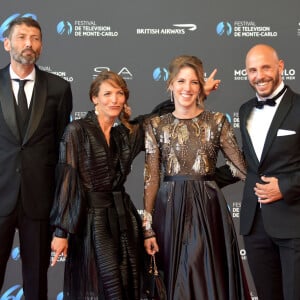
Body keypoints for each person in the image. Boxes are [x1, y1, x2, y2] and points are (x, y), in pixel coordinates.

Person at [142, 55, 250, 300]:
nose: (187, 88)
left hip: (208, 209)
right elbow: (151, 178)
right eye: (181, 81)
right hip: (169, 210)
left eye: (194, 82)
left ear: (201, 87)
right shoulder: (156, 125)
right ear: (170, 85)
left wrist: (206, 180)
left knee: (205, 273)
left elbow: (241, 168)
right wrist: (148, 230)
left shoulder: (217, 121)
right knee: (173, 276)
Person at [50, 70, 145, 300]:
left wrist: (199, 90)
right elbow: (67, 180)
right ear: (94, 98)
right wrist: (61, 232)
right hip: (92, 222)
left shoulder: (126, 133)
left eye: (119, 93)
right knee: (108, 286)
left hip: (123, 218)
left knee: (126, 284)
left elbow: (158, 116)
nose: (114, 100)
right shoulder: (77, 130)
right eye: (107, 93)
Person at [0, 17, 72, 299]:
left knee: (36, 284)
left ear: (41, 45)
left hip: (40, 202)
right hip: (0, 198)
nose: (28, 44)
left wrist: (59, 214)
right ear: (7, 43)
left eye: (35, 38)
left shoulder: (58, 88)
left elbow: (61, 150)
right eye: (21, 37)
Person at [239, 44, 300, 300]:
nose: (259, 75)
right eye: (252, 70)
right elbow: (246, 163)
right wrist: (195, 180)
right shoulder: (245, 111)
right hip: (255, 227)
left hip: (293, 224)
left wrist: (284, 187)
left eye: (265, 67)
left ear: (280, 67)